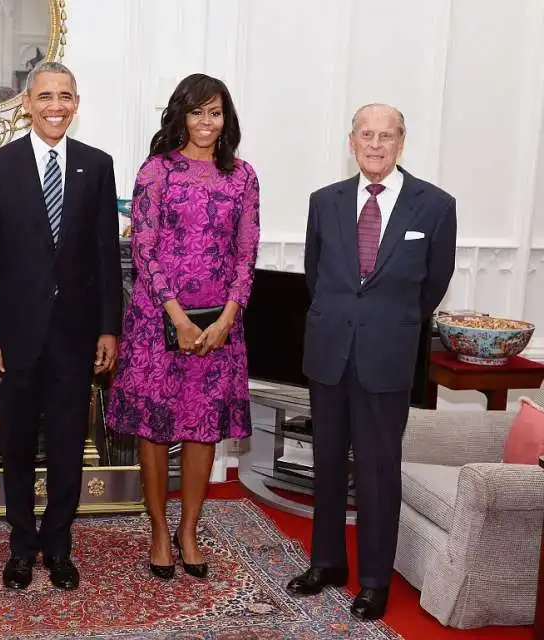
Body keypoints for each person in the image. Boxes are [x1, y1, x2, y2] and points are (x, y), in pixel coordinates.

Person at [287, 104, 457, 620]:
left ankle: (376, 579)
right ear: (352, 141)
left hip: (387, 356)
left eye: (386, 136)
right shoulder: (325, 201)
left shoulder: (435, 205)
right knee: (328, 462)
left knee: (380, 471)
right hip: (329, 352)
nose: (376, 145)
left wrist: (387, 325)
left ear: (402, 142)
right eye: (366, 135)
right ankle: (327, 562)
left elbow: (434, 284)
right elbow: (316, 275)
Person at [0, 60, 122, 591]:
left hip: (75, 336)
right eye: (46, 97)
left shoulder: (97, 166)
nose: (56, 106)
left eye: (66, 97)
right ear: (27, 103)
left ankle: (58, 545)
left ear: (76, 104)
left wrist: (109, 329)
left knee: (65, 446)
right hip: (14, 337)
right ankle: (20, 547)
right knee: (14, 445)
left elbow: (106, 254)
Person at [106, 73, 260, 580]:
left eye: (214, 112)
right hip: (157, 322)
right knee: (154, 428)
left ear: (226, 118)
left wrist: (227, 317)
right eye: (196, 112)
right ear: (181, 115)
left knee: (202, 428)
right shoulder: (156, 172)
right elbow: (144, 249)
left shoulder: (243, 176)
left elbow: (246, 252)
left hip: (220, 326)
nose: (205, 122)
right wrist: (176, 315)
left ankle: (189, 528)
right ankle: (157, 529)